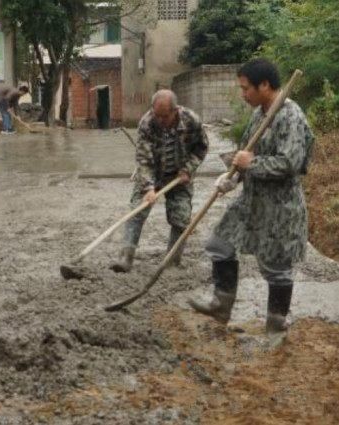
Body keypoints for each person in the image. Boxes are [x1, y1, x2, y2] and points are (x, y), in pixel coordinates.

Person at [188, 59, 314, 343]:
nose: (243, 94)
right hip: (251, 201)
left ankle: (276, 325)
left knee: (276, 267)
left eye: (246, 88)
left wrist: (252, 163)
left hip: (280, 207)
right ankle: (221, 305)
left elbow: (289, 163)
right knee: (219, 244)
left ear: (265, 85)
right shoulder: (260, 114)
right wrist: (232, 176)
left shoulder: (289, 116)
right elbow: (243, 155)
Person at [111, 90, 208, 272]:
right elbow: (143, 160)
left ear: (175, 110)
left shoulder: (191, 120)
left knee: (181, 217)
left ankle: (172, 261)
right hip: (152, 173)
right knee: (136, 212)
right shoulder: (147, 123)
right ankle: (126, 257)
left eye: (165, 116)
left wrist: (188, 169)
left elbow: (201, 148)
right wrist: (148, 187)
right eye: (157, 115)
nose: (161, 120)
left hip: (179, 176)